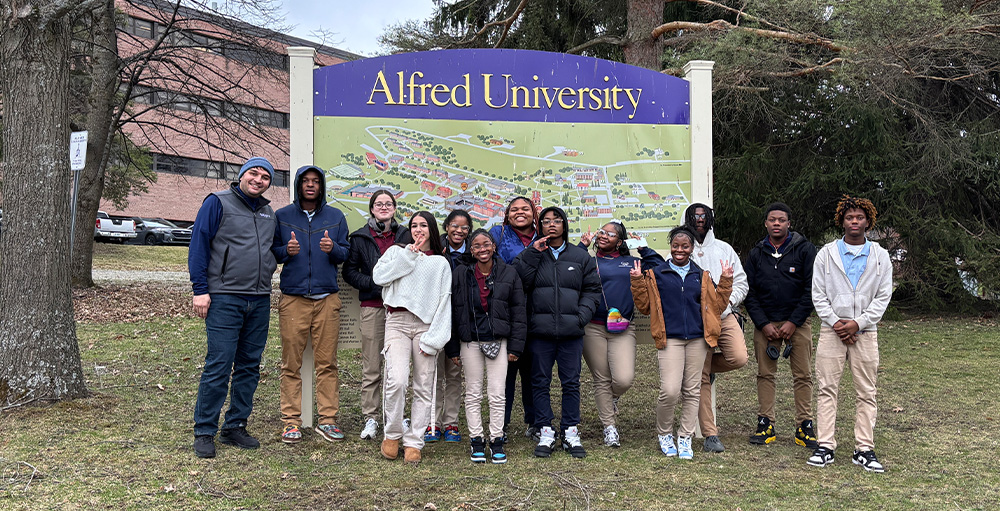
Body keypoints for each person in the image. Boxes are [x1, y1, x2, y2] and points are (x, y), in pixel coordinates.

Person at [189, 157, 278, 459]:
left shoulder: (268, 213)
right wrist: (200, 290)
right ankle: (204, 430)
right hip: (225, 298)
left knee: (249, 365)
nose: (258, 179)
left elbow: (270, 251)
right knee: (219, 363)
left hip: (260, 298)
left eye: (265, 176)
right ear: (242, 175)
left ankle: (235, 425)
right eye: (254, 173)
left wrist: (286, 253)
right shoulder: (217, 202)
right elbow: (199, 245)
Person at [630, 226, 733, 460]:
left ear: (691, 248)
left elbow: (717, 306)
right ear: (671, 246)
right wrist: (637, 281)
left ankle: (685, 436)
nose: (680, 250)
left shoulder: (702, 275)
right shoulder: (656, 274)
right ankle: (665, 433)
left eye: (685, 246)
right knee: (670, 390)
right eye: (676, 245)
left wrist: (726, 281)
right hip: (670, 339)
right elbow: (644, 307)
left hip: (698, 339)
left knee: (692, 390)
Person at [807, 196, 892, 473]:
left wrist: (858, 323)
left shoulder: (880, 256)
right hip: (831, 331)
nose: (854, 221)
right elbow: (818, 295)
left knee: (867, 391)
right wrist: (837, 323)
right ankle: (825, 446)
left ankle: (864, 449)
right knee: (826, 389)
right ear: (841, 221)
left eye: (859, 217)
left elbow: (883, 296)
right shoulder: (826, 254)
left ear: (868, 221)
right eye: (849, 217)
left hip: (865, 333)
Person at [271, 165, 351, 444]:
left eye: (315, 181)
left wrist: (333, 249)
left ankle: (327, 420)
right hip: (293, 300)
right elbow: (273, 252)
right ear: (298, 185)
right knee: (290, 364)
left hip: (327, 300)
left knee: (327, 364)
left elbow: (345, 253)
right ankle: (291, 422)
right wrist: (286, 251)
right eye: (305, 181)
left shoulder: (335, 217)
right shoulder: (282, 216)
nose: (310, 185)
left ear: (321, 186)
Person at [514, 206, 601, 459]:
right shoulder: (532, 253)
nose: (552, 225)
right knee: (539, 382)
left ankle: (570, 430)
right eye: (546, 221)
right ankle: (545, 430)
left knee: (571, 382)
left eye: (557, 220)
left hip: (571, 333)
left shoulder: (580, 256)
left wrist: (580, 317)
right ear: (539, 226)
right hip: (539, 333)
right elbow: (519, 282)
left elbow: (592, 290)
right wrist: (533, 253)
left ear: (565, 225)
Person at [373, 211, 453, 464]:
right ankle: (393, 434)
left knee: (424, 385)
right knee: (396, 380)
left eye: (424, 225)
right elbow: (379, 277)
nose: (419, 229)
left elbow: (444, 302)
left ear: (432, 230)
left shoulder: (440, 263)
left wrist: (435, 339)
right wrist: (408, 255)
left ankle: (414, 441)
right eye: (414, 225)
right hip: (397, 322)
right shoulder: (397, 252)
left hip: (425, 326)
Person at [447, 229, 527, 464]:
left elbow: (518, 312)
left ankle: (497, 440)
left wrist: (516, 347)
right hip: (469, 341)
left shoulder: (509, 273)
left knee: (497, 393)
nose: (482, 249)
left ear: (493, 247)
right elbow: (452, 312)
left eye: (486, 244)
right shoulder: (460, 273)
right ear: (471, 250)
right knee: (473, 393)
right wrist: (452, 348)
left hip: (499, 341)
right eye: (477, 246)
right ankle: (476, 440)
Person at [743, 203, 818, 448]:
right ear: (765, 223)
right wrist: (763, 323)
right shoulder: (756, 253)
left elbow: (811, 289)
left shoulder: (805, 249)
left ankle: (804, 425)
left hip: (798, 323)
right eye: (772, 220)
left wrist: (794, 322)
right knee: (765, 374)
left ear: (789, 223)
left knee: (803, 375)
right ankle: (766, 423)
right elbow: (749, 292)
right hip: (766, 325)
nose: (777, 223)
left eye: (781, 220)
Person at [342, 190, 411, 441]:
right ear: (371, 209)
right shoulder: (360, 237)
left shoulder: (406, 235)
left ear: (394, 208)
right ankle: (370, 417)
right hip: (373, 306)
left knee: (399, 368)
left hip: (402, 308)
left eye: (388, 203)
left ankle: (398, 416)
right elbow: (349, 271)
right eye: (379, 204)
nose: (383, 207)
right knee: (372, 366)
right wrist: (374, 283)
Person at [684, 203, 749, 453]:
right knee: (701, 377)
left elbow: (741, 282)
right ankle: (710, 434)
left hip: (723, 315)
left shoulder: (724, 248)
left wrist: (728, 303)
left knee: (739, 357)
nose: (699, 220)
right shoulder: (683, 246)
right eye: (695, 216)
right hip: (697, 321)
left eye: (703, 216)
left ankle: (705, 366)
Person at [578, 221, 641, 448]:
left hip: (622, 326)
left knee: (623, 379)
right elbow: (566, 267)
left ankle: (612, 397)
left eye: (610, 234)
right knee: (602, 379)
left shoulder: (631, 262)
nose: (604, 236)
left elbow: (657, 266)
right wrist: (582, 246)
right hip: (592, 327)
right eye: (602, 232)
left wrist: (642, 247)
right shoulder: (587, 260)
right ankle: (609, 427)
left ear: (620, 241)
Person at [488, 196, 541, 441]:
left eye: (525, 209)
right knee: (505, 372)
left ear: (534, 213)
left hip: (537, 310)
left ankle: (535, 422)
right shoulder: (498, 234)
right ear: (507, 214)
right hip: (506, 310)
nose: (520, 213)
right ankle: (501, 423)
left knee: (533, 371)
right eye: (514, 209)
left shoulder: (544, 234)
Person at [425, 210, 473, 444]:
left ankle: (451, 422)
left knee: (454, 373)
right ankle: (432, 422)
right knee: (433, 373)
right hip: (435, 318)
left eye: (464, 227)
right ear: (446, 227)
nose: (459, 231)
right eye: (454, 225)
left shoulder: (474, 253)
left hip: (460, 320)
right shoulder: (435, 250)